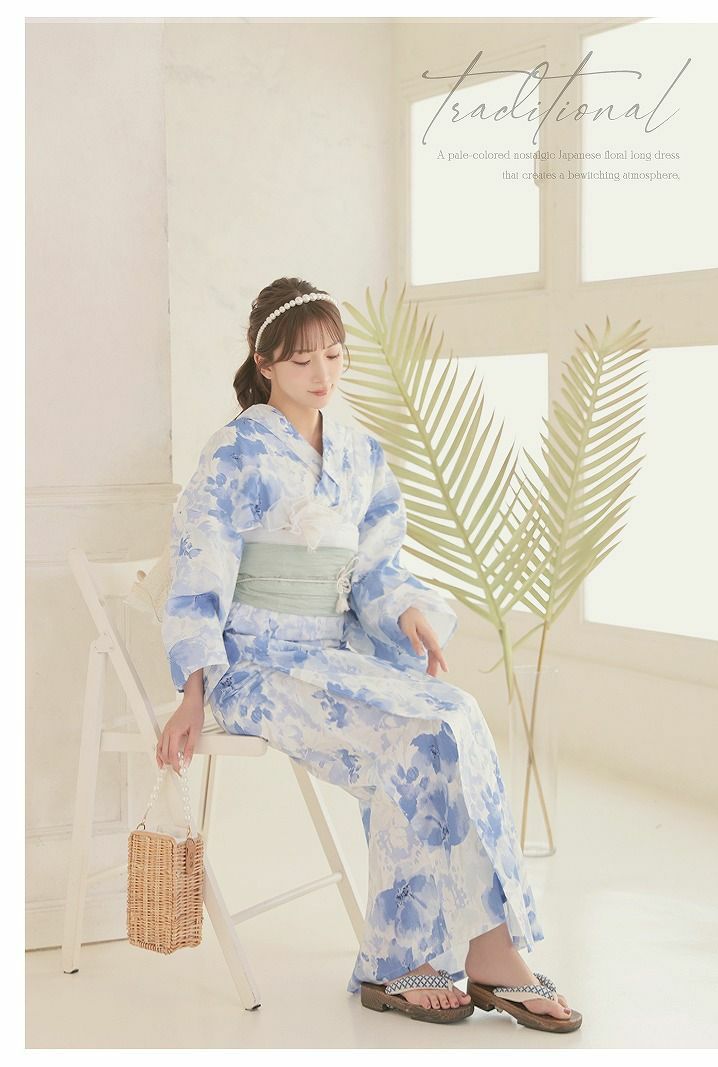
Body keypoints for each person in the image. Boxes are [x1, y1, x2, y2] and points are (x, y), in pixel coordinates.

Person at [155, 277, 581, 1032]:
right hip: (253, 663)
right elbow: (200, 569)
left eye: (334, 355)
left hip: (332, 649)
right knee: (416, 737)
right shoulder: (235, 451)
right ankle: (405, 961)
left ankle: (489, 947)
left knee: (454, 715)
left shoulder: (360, 453)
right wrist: (193, 690)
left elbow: (376, 565)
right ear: (263, 362)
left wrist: (408, 610)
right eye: (301, 361)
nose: (322, 374)